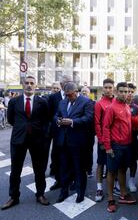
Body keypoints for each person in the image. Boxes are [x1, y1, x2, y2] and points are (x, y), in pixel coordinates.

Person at [2, 76, 50, 210]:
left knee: (39, 169)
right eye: (27, 83)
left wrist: (43, 135)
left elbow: (46, 120)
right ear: (22, 85)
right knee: (15, 170)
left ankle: (40, 194)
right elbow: (11, 119)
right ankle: (14, 197)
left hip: (37, 140)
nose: (29, 85)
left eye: (32, 83)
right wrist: (21, 128)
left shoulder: (42, 102)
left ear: (36, 85)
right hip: (18, 140)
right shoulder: (14, 101)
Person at [55, 82, 94, 203]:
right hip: (64, 141)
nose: (68, 97)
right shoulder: (62, 102)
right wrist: (58, 120)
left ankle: (80, 192)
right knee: (64, 168)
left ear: (76, 92)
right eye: (66, 95)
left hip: (79, 142)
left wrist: (72, 122)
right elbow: (56, 115)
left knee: (79, 168)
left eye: (70, 95)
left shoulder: (86, 102)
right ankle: (64, 191)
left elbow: (88, 118)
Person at [103, 82, 136, 213]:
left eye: (126, 91)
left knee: (123, 170)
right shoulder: (111, 108)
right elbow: (105, 127)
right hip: (115, 145)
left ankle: (123, 194)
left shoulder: (127, 106)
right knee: (111, 172)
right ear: (116, 92)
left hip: (127, 145)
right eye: (121, 91)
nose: (124, 93)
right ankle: (110, 199)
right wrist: (108, 147)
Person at [47, 75, 72, 191]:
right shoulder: (53, 97)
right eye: (65, 82)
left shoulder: (74, 96)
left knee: (70, 157)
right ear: (61, 84)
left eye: (69, 82)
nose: (67, 84)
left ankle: (70, 179)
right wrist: (56, 120)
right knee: (56, 157)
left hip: (71, 132)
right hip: (57, 133)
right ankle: (58, 180)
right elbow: (50, 115)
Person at [94, 79, 115, 202]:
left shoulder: (117, 102)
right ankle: (99, 188)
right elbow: (97, 123)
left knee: (113, 165)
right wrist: (101, 140)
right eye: (105, 87)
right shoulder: (99, 104)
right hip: (103, 139)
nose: (108, 90)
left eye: (110, 87)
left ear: (113, 88)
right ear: (103, 88)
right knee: (101, 163)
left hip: (115, 139)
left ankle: (112, 187)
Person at [126, 83, 138, 193]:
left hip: (133, 139)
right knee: (121, 163)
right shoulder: (116, 105)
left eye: (132, 92)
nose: (130, 94)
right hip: (120, 140)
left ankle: (131, 180)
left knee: (133, 161)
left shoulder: (136, 108)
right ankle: (118, 182)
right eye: (128, 91)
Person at [81, 86, 95, 178]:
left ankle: (89, 170)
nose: (84, 93)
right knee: (80, 152)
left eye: (86, 91)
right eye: (83, 92)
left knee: (89, 152)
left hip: (90, 133)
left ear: (89, 93)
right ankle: (81, 170)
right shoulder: (77, 103)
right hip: (79, 133)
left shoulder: (94, 103)